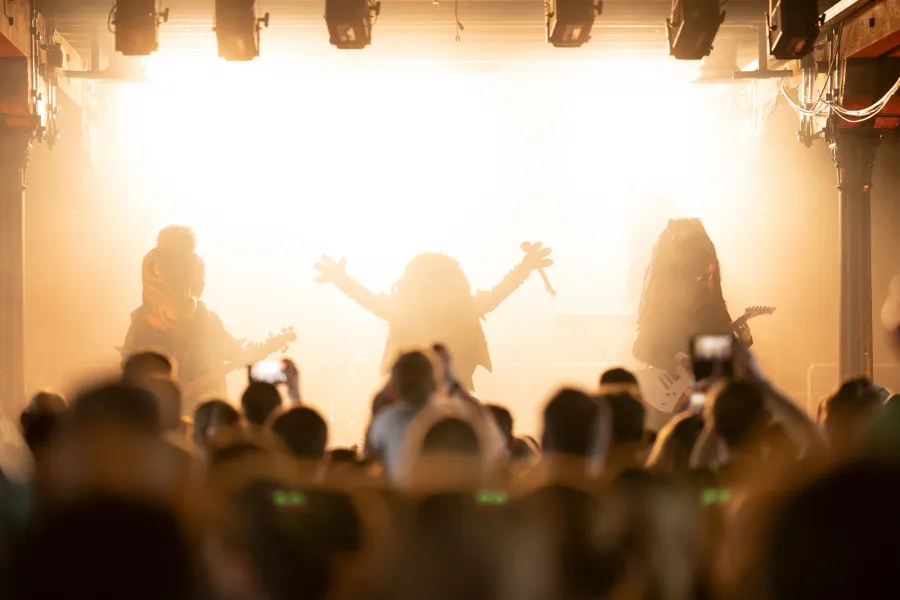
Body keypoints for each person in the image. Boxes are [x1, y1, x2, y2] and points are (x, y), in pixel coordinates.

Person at [314, 243, 553, 392]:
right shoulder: (462, 308)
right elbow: (500, 292)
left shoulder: (406, 310)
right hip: (442, 393)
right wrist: (525, 266)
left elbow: (368, 299)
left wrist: (340, 279)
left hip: (414, 394)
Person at [120, 226, 273, 404]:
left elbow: (236, 354)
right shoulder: (144, 320)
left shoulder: (207, 321)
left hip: (203, 417)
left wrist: (255, 354)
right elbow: (129, 368)